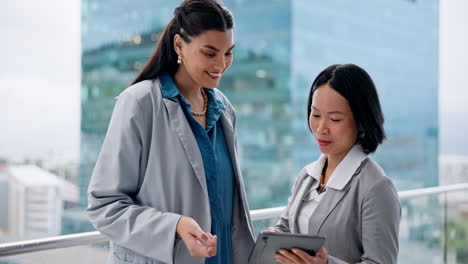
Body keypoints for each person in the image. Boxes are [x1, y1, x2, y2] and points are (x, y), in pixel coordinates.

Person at [86, 1, 255, 263]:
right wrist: (174, 227)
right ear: (179, 45)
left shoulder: (224, 110)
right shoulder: (139, 102)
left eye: (228, 53)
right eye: (210, 53)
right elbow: (104, 206)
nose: (221, 64)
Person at [266, 64, 401, 264]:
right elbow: (287, 227)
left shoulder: (377, 188)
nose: (321, 128)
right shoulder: (308, 175)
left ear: (361, 121)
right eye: (316, 115)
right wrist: (275, 235)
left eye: (335, 119)